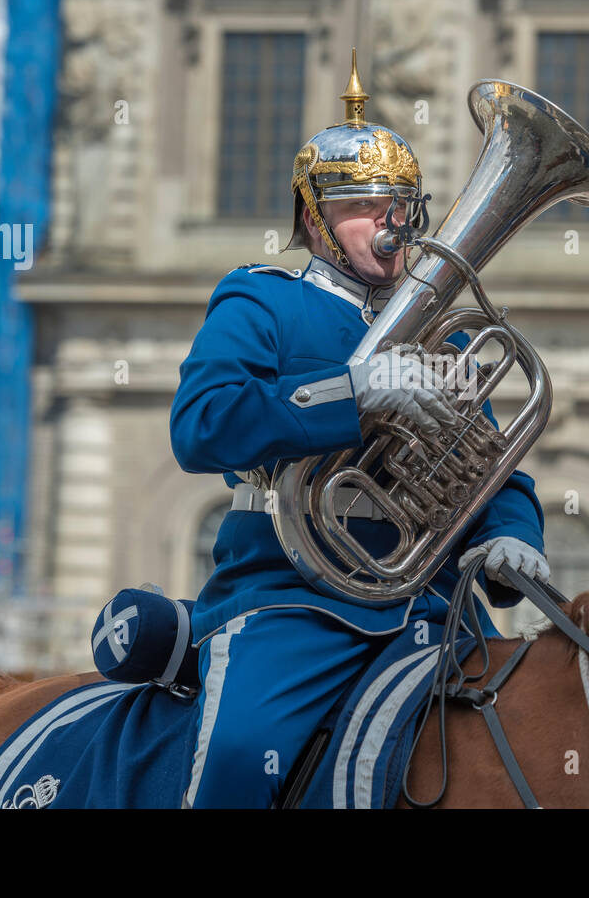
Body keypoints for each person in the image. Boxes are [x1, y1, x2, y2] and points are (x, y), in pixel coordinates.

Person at [170, 51, 550, 807]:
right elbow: (202, 423)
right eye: (365, 206)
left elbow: (492, 465)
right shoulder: (264, 301)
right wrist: (351, 393)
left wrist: (516, 533)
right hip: (291, 595)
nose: (391, 223)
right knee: (241, 753)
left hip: (436, 603)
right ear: (314, 217)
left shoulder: (444, 338)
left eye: (402, 205)